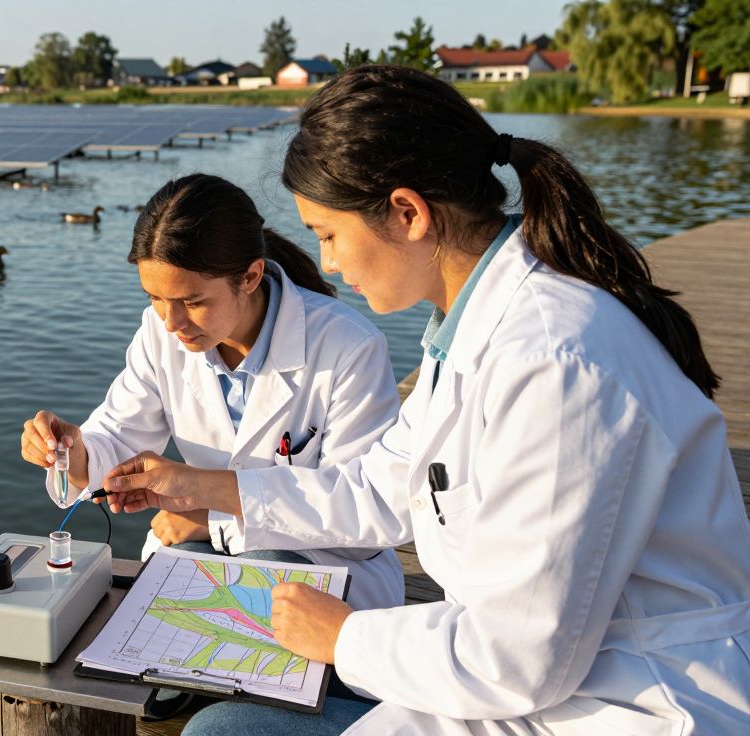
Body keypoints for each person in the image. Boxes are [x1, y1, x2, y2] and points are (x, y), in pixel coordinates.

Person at [101, 66, 750, 735]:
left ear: (407, 213)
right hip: (535, 675)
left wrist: (346, 638)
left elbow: (520, 658)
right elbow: (375, 490)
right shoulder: (470, 335)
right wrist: (197, 487)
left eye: (327, 234)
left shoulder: (554, 361)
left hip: (630, 700)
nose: (324, 265)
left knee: (227, 731)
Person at [19, 173, 406, 613]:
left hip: (328, 567)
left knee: (258, 574)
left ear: (250, 276)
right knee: (170, 596)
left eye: (192, 301)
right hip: (200, 547)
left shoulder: (348, 347)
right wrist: (74, 452)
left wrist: (213, 518)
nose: (171, 322)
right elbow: (119, 437)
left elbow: (361, 512)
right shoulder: (162, 334)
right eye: (155, 298)